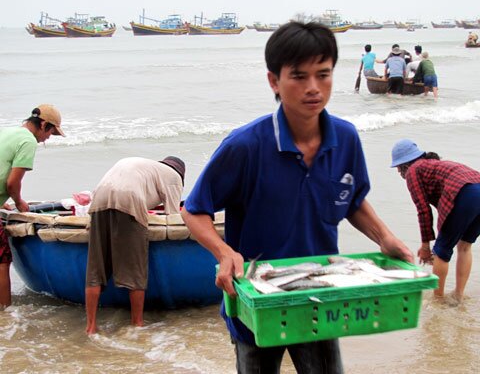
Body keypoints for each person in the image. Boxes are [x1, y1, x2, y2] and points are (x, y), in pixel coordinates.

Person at [181, 21, 413, 373]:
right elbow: (194, 210)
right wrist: (224, 252)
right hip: (257, 301)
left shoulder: (346, 139)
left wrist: (385, 238)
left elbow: (350, 200)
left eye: (323, 74)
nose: (313, 88)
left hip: (322, 297)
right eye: (299, 76)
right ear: (274, 80)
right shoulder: (245, 146)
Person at [85, 156, 185, 334]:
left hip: (99, 198)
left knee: (96, 267)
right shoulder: (174, 177)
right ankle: (137, 323)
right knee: (135, 268)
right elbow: (172, 217)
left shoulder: (148, 167)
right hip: (129, 197)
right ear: (181, 174)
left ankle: (91, 326)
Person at [391, 139, 480, 303]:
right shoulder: (431, 165)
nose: (398, 172)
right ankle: (458, 295)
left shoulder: (413, 170)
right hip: (476, 187)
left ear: (405, 164)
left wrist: (426, 246)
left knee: (441, 251)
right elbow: (448, 208)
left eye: (398, 167)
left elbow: (423, 210)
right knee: (465, 246)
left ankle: (438, 301)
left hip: (465, 192)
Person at [0, 104, 65, 308]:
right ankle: (5, 315)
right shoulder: (28, 140)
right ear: (43, 124)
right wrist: (18, 202)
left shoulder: (9, 132)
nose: (48, 138)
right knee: (2, 262)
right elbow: (12, 182)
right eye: (51, 132)